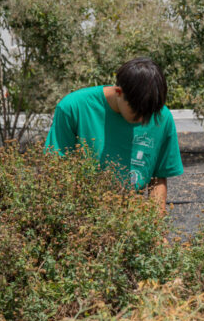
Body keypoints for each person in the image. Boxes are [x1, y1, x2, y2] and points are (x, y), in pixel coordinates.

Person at [45, 57, 184, 212]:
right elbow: (55, 171)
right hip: (81, 216)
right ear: (118, 92)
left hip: (131, 219)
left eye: (148, 115)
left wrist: (156, 231)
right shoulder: (73, 108)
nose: (142, 120)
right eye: (136, 113)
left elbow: (158, 179)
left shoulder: (161, 116)